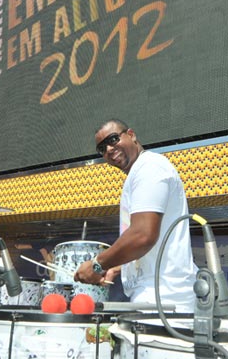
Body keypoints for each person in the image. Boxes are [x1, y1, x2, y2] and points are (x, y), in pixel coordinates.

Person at [74, 119, 198, 312]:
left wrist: (97, 265)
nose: (108, 149)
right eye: (101, 148)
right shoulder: (140, 172)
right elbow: (151, 244)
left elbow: (143, 235)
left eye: (113, 139)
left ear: (131, 135)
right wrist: (118, 267)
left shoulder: (149, 167)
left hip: (164, 299)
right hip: (157, 298)